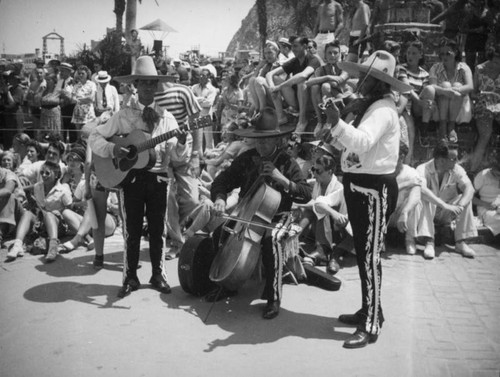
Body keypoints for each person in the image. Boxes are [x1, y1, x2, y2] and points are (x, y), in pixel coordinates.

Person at [318, 50, 413, 348]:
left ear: (378, 82)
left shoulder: (383, 111)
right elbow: (354, 148)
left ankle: (371, 324)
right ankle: (369, 310)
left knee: (370, 258)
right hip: (361, 186)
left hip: (373, 189)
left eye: (366, 77)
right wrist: (336, 127)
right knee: (364, 255)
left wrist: (336, 122)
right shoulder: (371, 106)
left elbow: (361, 142)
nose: (360, 80)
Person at [89, 55, 188, 298]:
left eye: (151, 83)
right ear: (136, 85)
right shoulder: (123, 116)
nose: (147, 87)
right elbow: (94, 138)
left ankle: (158, 275)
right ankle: (130, 277)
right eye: (143, 82)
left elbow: (177, 157)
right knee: (132, 231)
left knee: (158, 230)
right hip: (130, 180)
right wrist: (114, 149)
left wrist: (182, 142)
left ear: (156, 86)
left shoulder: (167, 117)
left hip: (158, 179)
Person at [208, 108, 312, 319]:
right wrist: (219, 198)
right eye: (259, 140)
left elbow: (306, 194)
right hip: (247, 213)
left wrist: (281, 179)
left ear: (277, 140)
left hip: (279, 216)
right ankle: (227, 283)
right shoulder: (247, 158)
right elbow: (222, 180)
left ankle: (273, 297)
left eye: (267, 140)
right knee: (222, 233)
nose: (262, 145)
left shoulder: (286, 163)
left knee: (271, 241)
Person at [412, 141, 478, 259]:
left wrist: (460, 206)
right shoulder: (422, 169)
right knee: (426, 198)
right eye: (453, 159)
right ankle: (429, 241)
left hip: (447, 213)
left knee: (465, 199)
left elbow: (470, 188)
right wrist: (444, 205)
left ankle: (460, 242)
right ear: (442, 160)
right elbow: (421, 190)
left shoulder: (457, 169)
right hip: (429, 212)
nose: (456, 161)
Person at [6, 161, 72, 262]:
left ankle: (53, 246)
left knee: (49, 215)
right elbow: (28, 189)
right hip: (41, 223)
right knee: (28, 213)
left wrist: (59, 212)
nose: (44, 175)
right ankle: (17, 244)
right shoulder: (38, 186)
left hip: (57, 224)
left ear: (56, 175)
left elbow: (70, 208)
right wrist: (18, 189)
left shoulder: (63, 190)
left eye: (47, 173)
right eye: (42, 173)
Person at [296, 154, 349, 275]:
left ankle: (322, 250)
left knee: (320, 209)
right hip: (321, 229)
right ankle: (296, 236)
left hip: (336, 230)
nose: (314, 173)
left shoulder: (338, 188)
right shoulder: (317, 183)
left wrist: (299, 205)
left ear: (330, 171)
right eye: (313, 170)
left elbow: (318, 206)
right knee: (308, 210)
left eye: (318, 171)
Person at [266, 36, 322, 133]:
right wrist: (272, 87)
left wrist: (279, 87)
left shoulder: (314, 60)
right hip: (297, 100)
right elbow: (269, 74)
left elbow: (303, 75)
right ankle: (281, 117)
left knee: (301, 83)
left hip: (311, 102)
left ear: (304, 46)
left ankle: (302, 120)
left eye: (295, 46)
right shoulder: (294, 61)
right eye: (292, 46)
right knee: (275, 79)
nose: (293, 49)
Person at [428, 38, 474, 142]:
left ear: (455, 52)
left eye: (448, 53)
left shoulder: (464, 68)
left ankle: (451, 126)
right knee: (445, 84)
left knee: (457, 85)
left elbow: (470, 86)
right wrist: (446, 91)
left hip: (459, 105)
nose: (444, 56)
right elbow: (432, 86)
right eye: (442, 54)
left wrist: (454, 89)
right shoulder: (435, 68)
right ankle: (443, 125)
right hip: (441, 104)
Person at [306, 40, 349, 134]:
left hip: (342, 98)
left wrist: (323, 80)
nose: (332, 55)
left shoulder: (345, 68)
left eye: (335, 53)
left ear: (340, 55)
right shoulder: (322, 69)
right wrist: (327, 77)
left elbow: (337, 81)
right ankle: (320, 121)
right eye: (329, 53)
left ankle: (331, 120)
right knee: (315, 87)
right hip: (326, 99)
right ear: (325, 55)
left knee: (325, 86)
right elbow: (308, 83)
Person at [387, 143, 423, 255]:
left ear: (401, 157)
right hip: (386, 213)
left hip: (402, 215)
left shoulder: (410, 172)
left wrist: (405, 211)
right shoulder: (382, 170)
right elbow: (383, 192)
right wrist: (406, 184)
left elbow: (417, 191)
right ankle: (380, 239)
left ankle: (410, 240)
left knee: (416, 200)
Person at [470, 43, 500, 172]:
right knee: (485, 135)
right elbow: (472, 92)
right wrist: (485, 96)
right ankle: (472, 170)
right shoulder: (480, 69)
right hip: (483, 105)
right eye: (495, 60)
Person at [473, 153, 500, 241]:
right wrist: (486, 204)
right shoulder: (483, 175)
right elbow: (469, 196)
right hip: (486, 208)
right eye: (497, 174)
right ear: (493, 169)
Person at [66, 65, 97, 142]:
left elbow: (91, 99)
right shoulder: (76, 86)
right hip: (77, 113)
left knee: (87, 134)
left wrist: (78, 100)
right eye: (79, 73)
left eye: (82, 73)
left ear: (87, 74)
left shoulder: (92, 84)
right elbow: (72, 100)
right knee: (78, 136)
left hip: (88, 113)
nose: (80, 75)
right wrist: (84, 99)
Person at [191, 67, 217, 155]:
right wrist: (202, 99)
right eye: (200, 75)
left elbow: (209, 103)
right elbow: (190, 100)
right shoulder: (194, 87)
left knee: (208, 139)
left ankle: (210, 156)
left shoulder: (212, 89)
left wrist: (196, 100)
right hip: (196, 116)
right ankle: (198, 157)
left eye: (204, 75)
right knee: (197, 139)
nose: (201, 77)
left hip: (206, 116)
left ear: (208, 77)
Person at [40, 73, 62, 139]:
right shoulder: (44, 90)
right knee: (45, 134)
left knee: (54, 133)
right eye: (46, 80)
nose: (47, 81)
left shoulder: (58, 90)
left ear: (54, 81)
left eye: (49, 80)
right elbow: (38, 100)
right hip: (44, 114)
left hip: (54, 114)